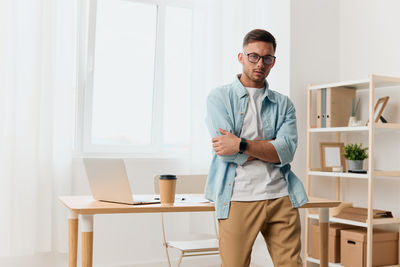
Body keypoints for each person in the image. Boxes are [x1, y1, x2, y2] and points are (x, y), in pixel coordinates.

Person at [205, 29, 308, 267]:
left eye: (267, 58)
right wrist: (268, 149)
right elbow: (225, 152)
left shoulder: (283, 104)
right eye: (253, 56)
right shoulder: (219, 98)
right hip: (238, 197)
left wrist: (241, 144)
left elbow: (286, 151)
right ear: (241, 57)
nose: (260, 63)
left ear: (273, 62)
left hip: (282, 195)